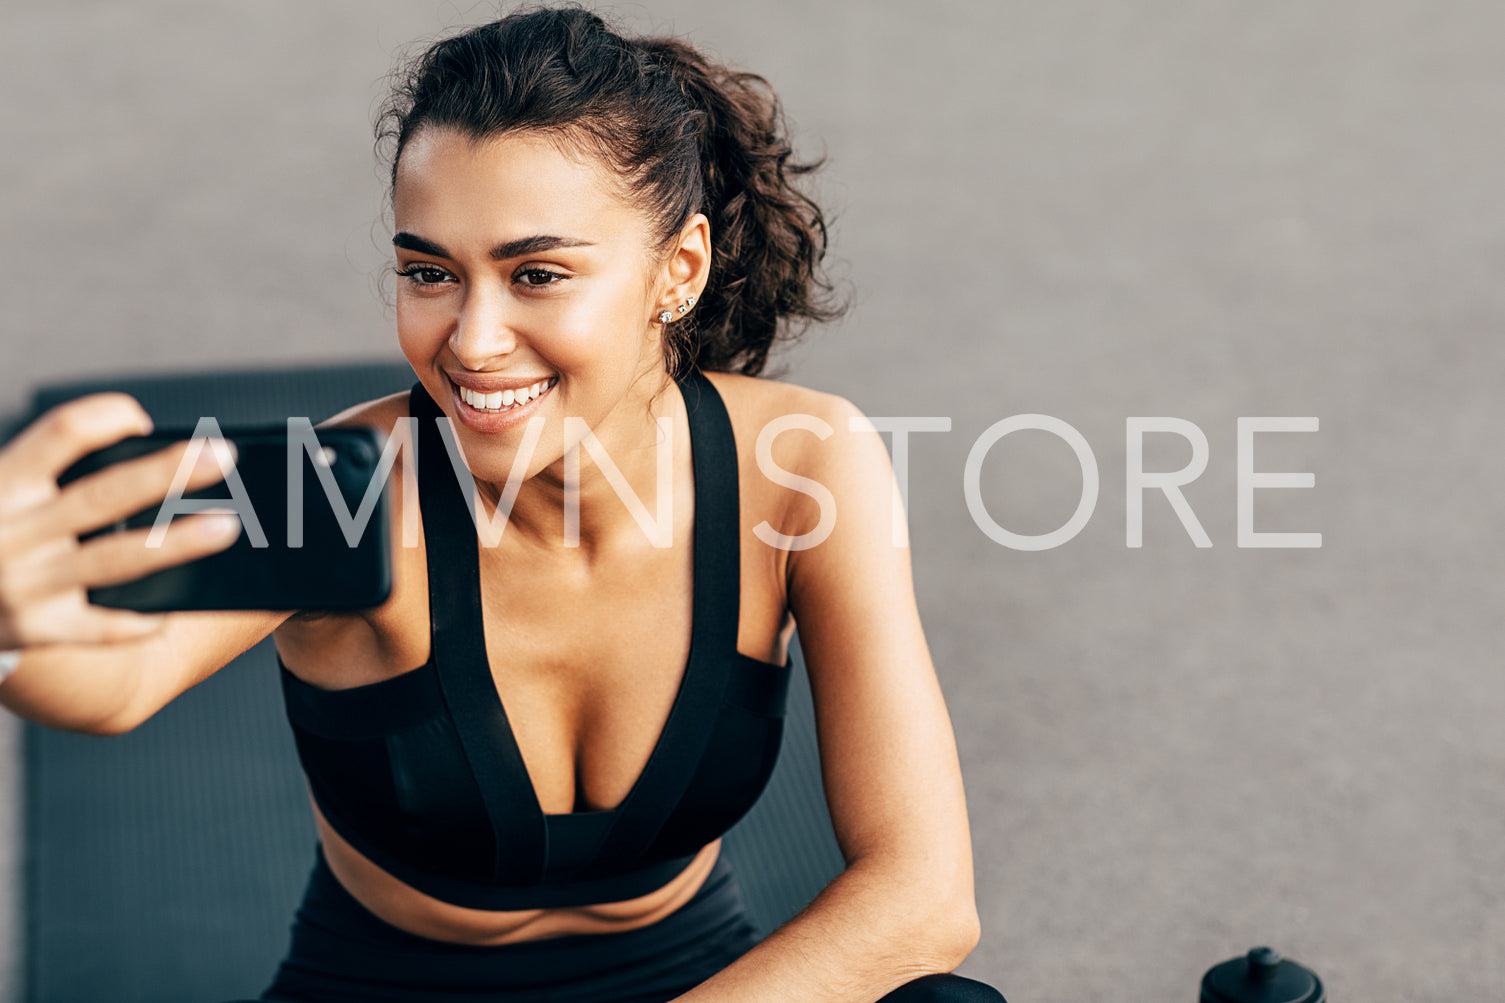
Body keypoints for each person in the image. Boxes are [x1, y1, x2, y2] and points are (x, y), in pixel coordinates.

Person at [0, 7, 1005, 1001]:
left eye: (536, 274)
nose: (471, 339)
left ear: (677, 270)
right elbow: (115, 684)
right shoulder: (345, 486)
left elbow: (923, 899)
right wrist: (13, 626)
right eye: (429, 272)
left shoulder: (802, 467)